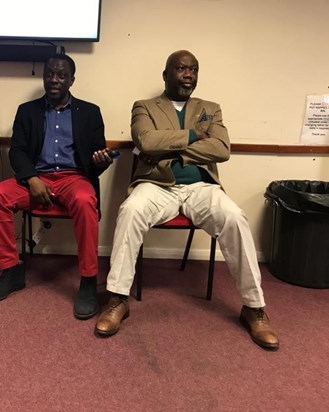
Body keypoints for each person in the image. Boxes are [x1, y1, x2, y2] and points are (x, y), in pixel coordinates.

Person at [95, 50, 280, 350]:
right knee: (130, 210)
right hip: (157, 184)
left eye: (193, 69)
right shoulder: (144, 106)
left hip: (201, 187)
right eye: (181, 68)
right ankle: (117, 299)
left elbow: (221, 149)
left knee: (235, 217)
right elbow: (146, 141)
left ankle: (254, 307)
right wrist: (194, 135)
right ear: (166, 74)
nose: (188, 74)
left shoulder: (210, 109)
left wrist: (175, 149)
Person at [0, 54, 112, 319]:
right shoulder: (27, 110)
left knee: (86, 202)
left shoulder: (90, 112)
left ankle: (88, 280)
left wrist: (101, 161)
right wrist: (31, 179)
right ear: (43, 76)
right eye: (50, 74)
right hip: (35, 177)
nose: (54, 80)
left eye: (61, 75)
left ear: (71, 80)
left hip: (73, 178)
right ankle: (10, 271)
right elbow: (17, 151)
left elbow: (95, 160)